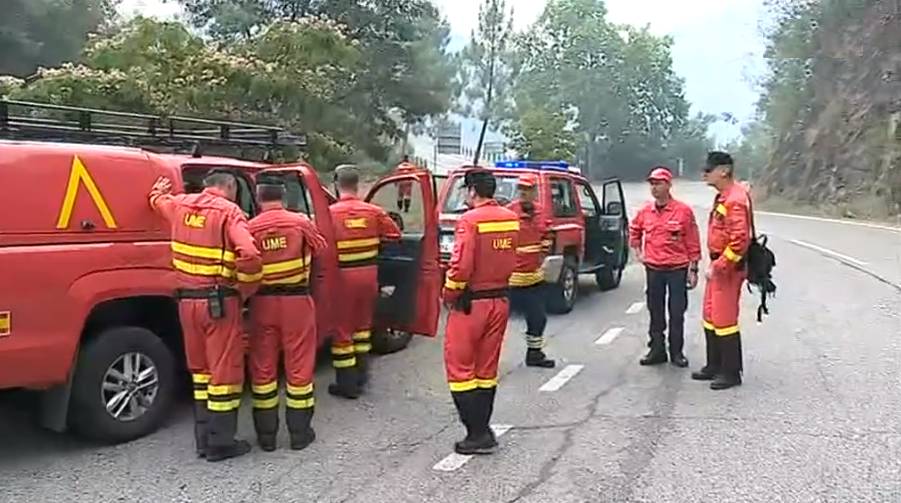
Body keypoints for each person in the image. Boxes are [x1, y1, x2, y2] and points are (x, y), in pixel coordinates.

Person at [148, 169, 262, 462]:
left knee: (200, 373)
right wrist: (247, 287)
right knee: (224, 374)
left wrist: (156, 192)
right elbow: (249, 253)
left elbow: (158, 202)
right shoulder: (229, 212)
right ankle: (221, 443)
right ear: (228, 187)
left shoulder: (180, 205)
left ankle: (203, 439)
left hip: (187, 303)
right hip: (220, 304)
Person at [246, 173, 328, 452]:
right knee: (299, 368)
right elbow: (321, 250)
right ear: (283, 195)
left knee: (263, 369)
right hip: (296, 302)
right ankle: (299, 434)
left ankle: (266, 437)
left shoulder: (249, 227)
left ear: (258, 196)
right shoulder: (301, 222)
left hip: (261, 304)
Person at [443, 168, 519, 455]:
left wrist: (449, 293)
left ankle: (475, 433)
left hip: (470, 303)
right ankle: (483, 429)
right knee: (486, 369)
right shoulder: (511, 219)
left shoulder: (470, 221)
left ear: (473, 191)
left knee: (460, 367)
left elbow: (461, 266)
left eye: (466, 190)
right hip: (499, 300)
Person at [329, 164, 402, 398]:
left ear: (335, 183)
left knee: (342, 331)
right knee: (362, 328)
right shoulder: (374, 212)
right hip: (368, 275)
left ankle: (346, 385)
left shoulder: (329, 214)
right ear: (357, 184)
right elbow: (395, 235)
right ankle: (361, 376)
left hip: (342, 278)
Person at [629, 167, 702, 368]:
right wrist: (638, 252)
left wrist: (693, 269)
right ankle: (657, 349)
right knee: (655, 311)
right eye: (652, 184)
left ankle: (676, 351)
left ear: (669, 185)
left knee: (677, 312)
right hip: (654, 269)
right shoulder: (646, 212)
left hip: (677, 269)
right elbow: (634, 231)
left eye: (659, 183)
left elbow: (692, 240)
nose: (655, 188)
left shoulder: (683, 211)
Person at [692, 152, 751, 390]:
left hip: (727, 268)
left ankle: (731, 372)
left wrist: (719, 266)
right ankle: (713, 364)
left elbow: (739, 240)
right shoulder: (723, 197)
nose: (705, 173)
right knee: (710, 315)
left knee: (725, 319)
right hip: (718, 265)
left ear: (724, 170)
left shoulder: (734, 199)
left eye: (709, 169)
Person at [506, 173, 555, 369]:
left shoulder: (542, 212)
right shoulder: (510, 212)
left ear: (535, 192)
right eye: (521, 190)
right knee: (497, 323)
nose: (524, 193)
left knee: (537, 318)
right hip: (511, 280)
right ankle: (487, 358)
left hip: (534, 278)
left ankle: (534, 354)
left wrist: (543, 254)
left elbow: (547, 235)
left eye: (528, 189)